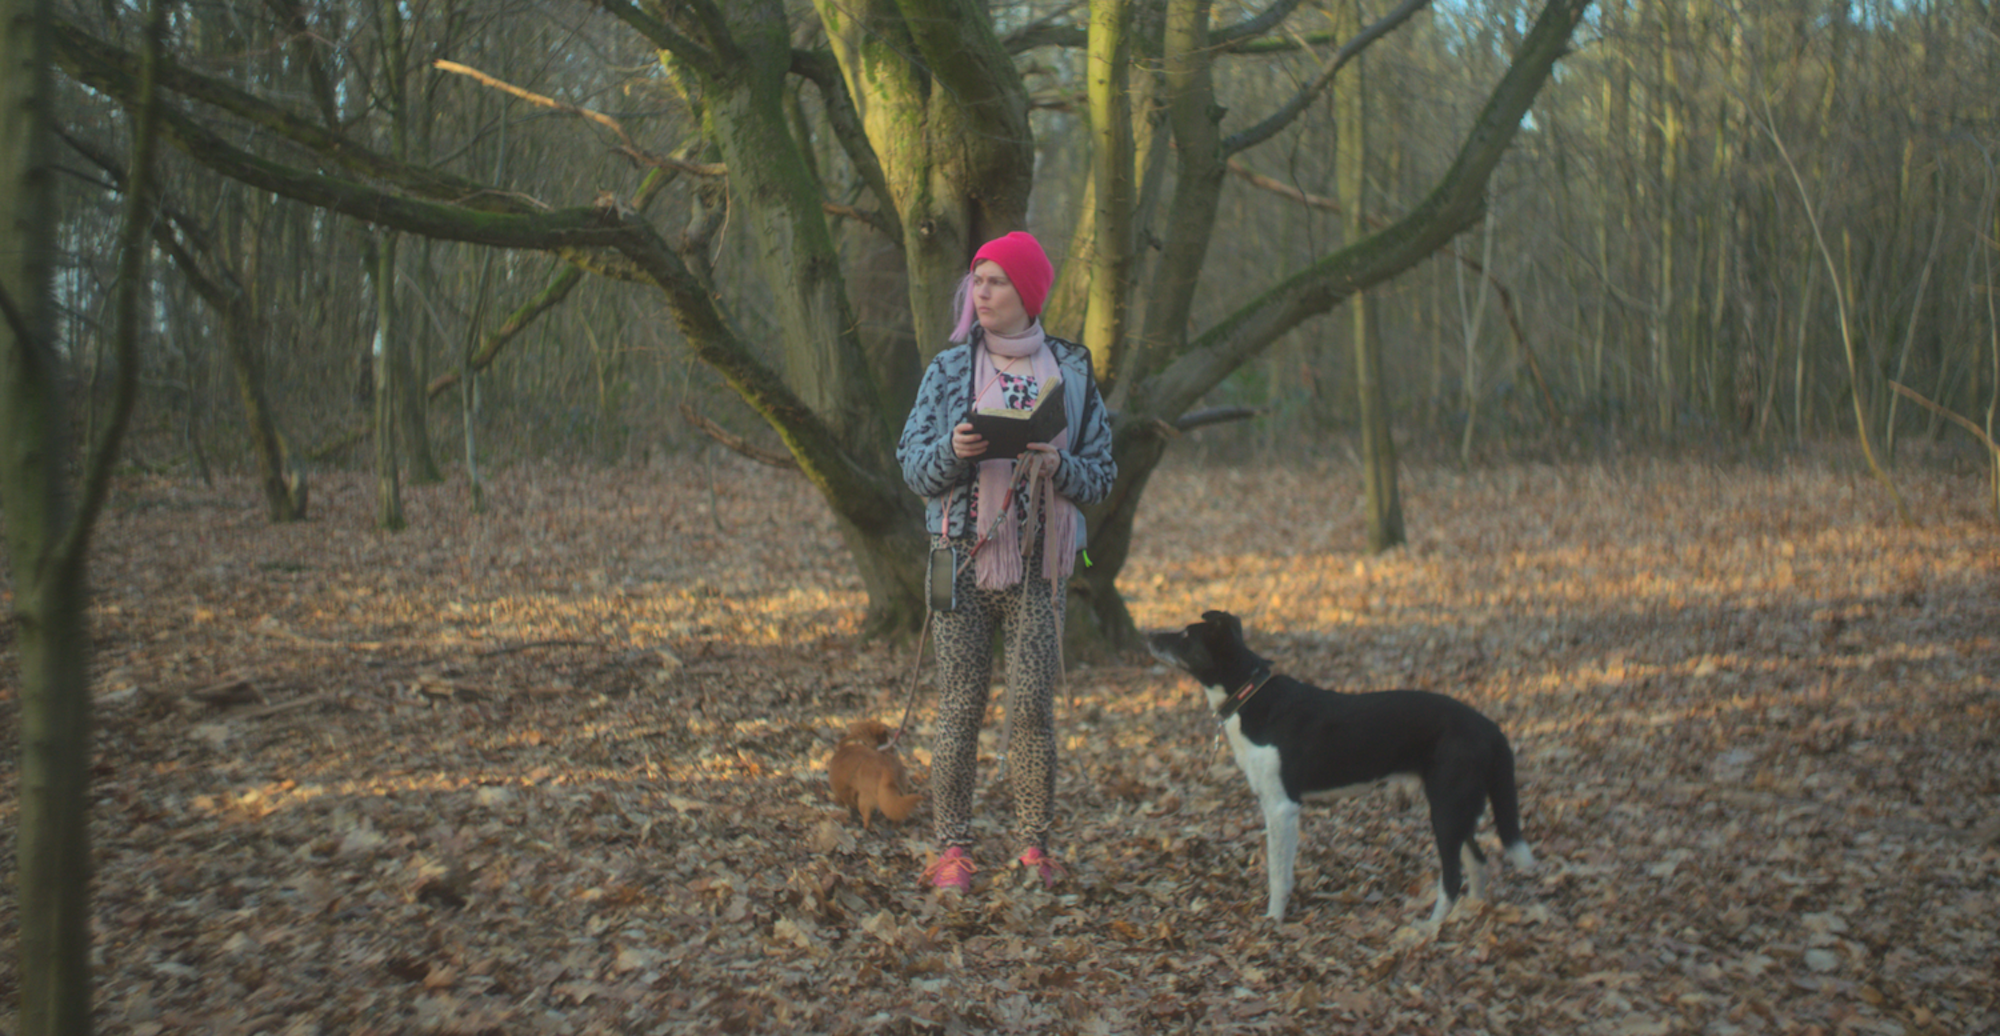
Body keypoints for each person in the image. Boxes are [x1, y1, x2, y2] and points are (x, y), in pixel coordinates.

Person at [897, 231, 1117, 892]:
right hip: (959, 562)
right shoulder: (947, 371)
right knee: (959, 705)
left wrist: (1061, 466)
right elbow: (913, 466)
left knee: (1032, 710)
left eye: (994, 281)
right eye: (977, 280)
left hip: (1040, 570)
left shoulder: (1071, 373)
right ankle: (952, 851)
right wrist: (955, 451)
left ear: (1026, 292)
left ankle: (1033, 848)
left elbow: (1102, 474)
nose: (979, 292)